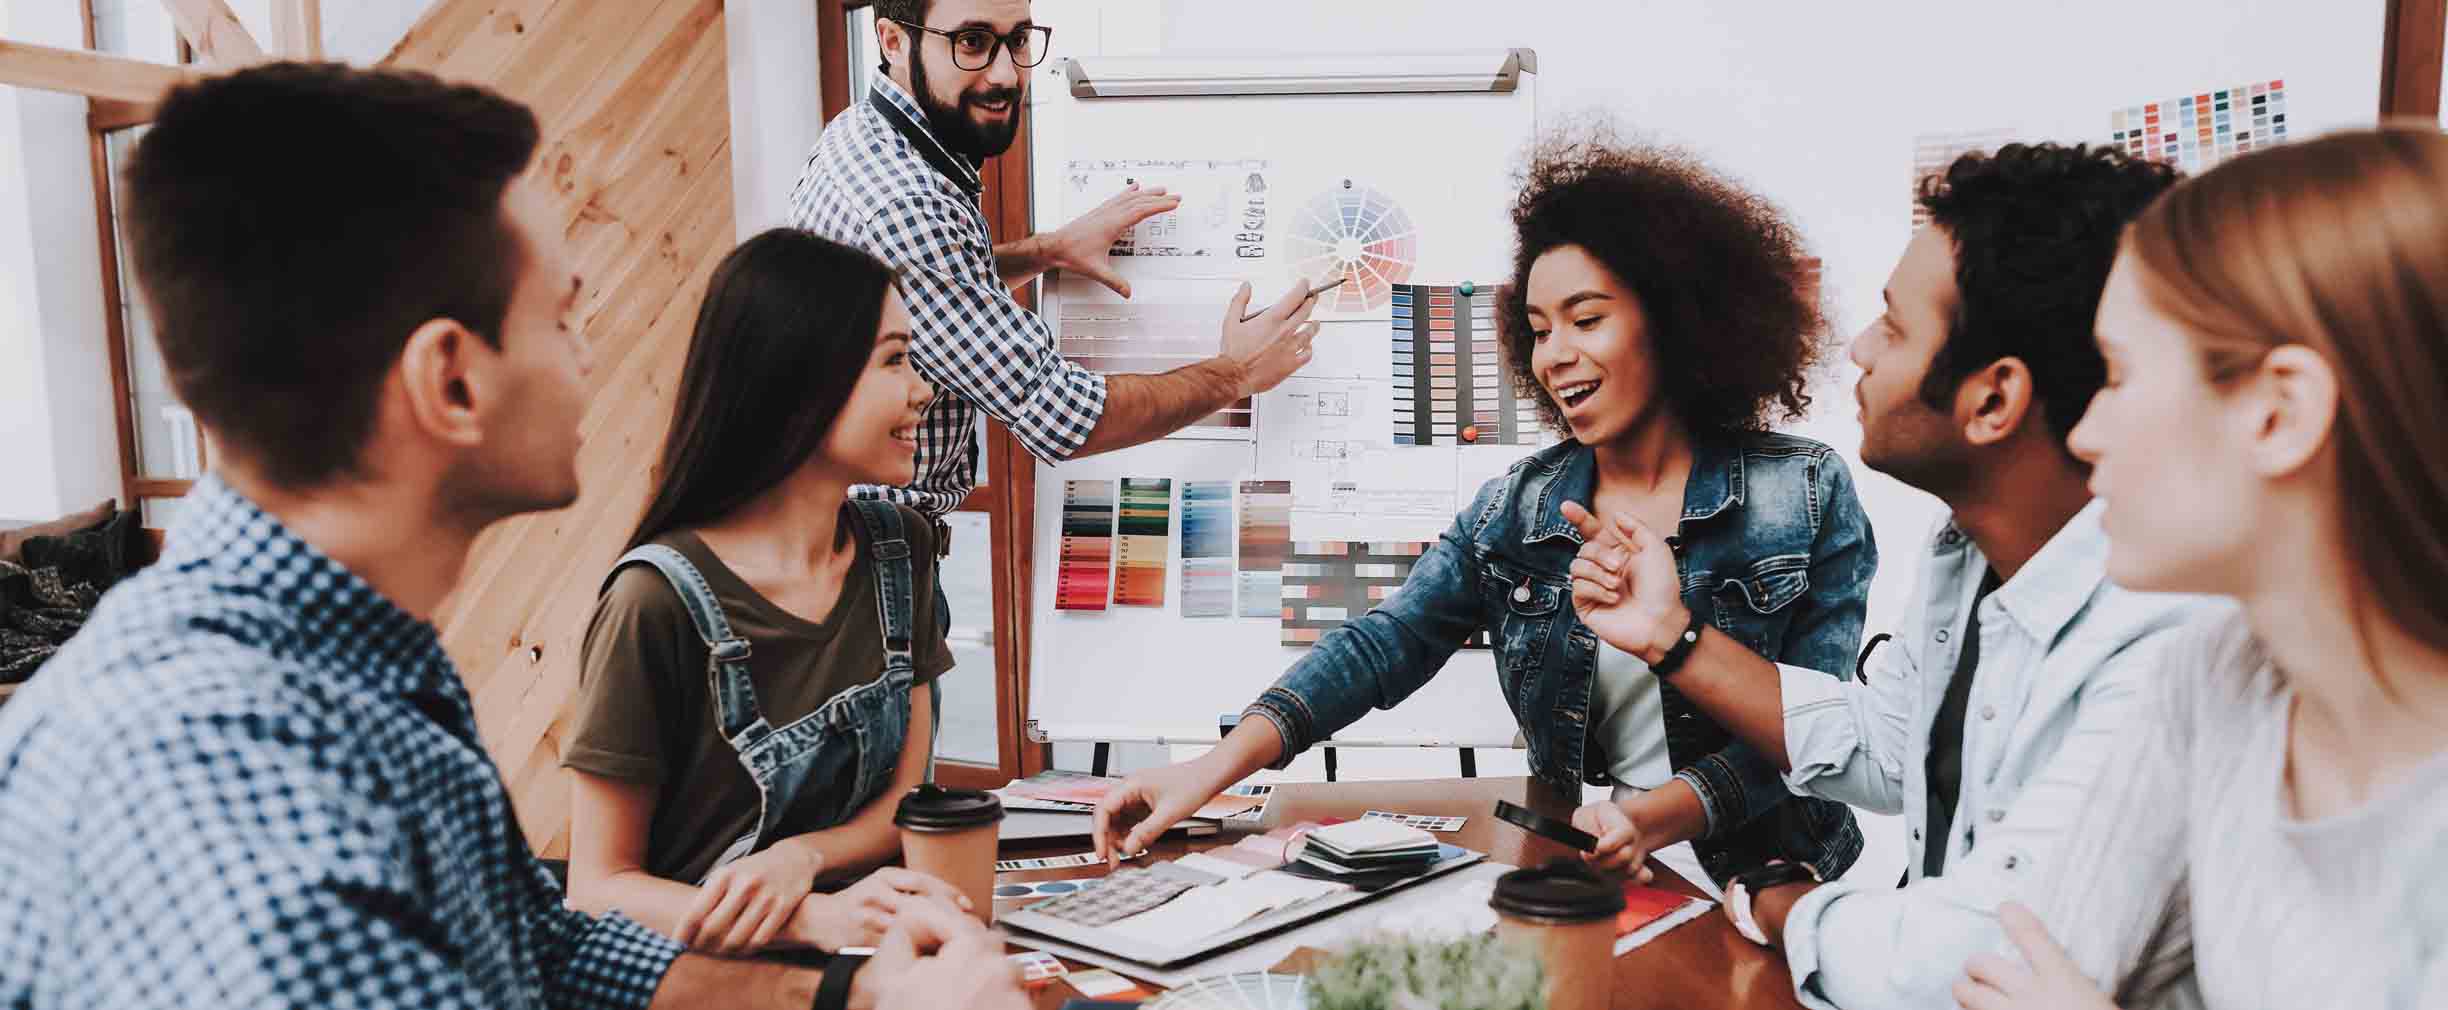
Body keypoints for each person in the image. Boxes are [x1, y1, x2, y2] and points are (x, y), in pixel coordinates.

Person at [0, 63, 1021, 1010]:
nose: (587, 361)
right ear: (450, 378)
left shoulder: (355, 663)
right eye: (563, 317)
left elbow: (548, 943)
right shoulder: (249, 813)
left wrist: (845, 993)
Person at [1094, 130, 1869, 890]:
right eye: (1538, 331)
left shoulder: (1801, 495)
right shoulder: (1516, 510)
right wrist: (1209, 768)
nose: (1555, 354)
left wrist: (1659, 817)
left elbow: (1814, 733)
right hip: (1586, 871)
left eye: (1587, 319)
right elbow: (1383, 645)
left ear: (1671, 318)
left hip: (1780, 884)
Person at [1556, 143, 2208, 1010]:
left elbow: (1981, 956)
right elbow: (1886, 741)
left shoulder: (2167, 631)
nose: (1860, 348)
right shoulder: (1967, 555)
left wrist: (1790, 907)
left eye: (1894, 326)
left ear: (1993, 400)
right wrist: (1673, 639)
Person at [1953, 126, 2448, 1010]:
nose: (2082, 433)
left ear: (2278, 412)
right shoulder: (2216, 674)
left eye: (2117, 374)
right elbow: (2029, 974)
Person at [561, 231, 972, 956]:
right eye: (894, 359)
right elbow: (598, 890)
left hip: (875, 958)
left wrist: (801, 858)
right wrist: (805, 918)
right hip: (711, 982)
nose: (923, 389)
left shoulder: (901, 548)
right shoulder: (654, 602)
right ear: (800, 379)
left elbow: (903, 807)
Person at [788, 0, 1322, 525]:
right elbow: (1062, 415)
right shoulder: (903, 204)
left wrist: (1049, 250)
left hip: (847, 543)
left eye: (1018, 40)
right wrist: (1235, 373)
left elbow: (930, 287)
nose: (1005, 75)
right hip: (869, 565)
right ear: (893, 41)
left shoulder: (863, 131)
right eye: (972, 42)